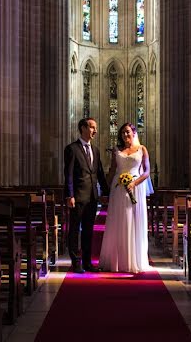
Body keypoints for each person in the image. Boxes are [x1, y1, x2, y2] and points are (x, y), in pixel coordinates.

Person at [99, 122, 150, 273]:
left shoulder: (142, 149)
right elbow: (112, 170)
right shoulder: (117, 150)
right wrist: (104, 190)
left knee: (134, 219)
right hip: (118, 188)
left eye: (128, 132)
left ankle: (134, 259)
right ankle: (117, 260)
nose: (125, 135)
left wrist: (134, 183)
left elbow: (147, 172)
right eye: (123, 133)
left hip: (136, 187)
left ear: (134, 133)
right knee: (118, 220)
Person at [64, 117, 109, 274]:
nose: (95, 130)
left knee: (89, 230)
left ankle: (87, 262)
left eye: (95, 128)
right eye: (91, 127)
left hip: (92, 197)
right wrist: (69, 195)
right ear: (82, 128)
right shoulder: (72, 149)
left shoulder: (95, 151)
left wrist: (106, 192)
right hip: (77, 196)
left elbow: (100, 174)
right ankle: (76, 263)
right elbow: (68, 175)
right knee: (75, 230)